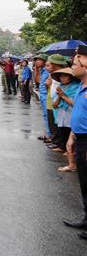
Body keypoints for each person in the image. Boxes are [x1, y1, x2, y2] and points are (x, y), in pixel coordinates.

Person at [64, 45, 87, 240]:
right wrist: (72, 135)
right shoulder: (82, 85)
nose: (75, 61)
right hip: (80, 139)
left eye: (79, 57)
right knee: (84, 182)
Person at [51, 67, 81, 167]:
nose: (63, 78)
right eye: (61, 76)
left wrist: (63, 96)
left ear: (71, 77)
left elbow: (75, 104)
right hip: (62, 113)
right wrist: (59, 95)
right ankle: (63, 148)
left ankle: (71, 154)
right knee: (62, 131)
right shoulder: (60, 87)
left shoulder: (76, 87)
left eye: (65, 76)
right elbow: (55, 105)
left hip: (72, 113)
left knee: (71, 133)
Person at [47, 54, 70, 148]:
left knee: (60, 124)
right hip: (55, 99)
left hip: (61, 102)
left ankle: (60, 144)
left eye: (50, 63)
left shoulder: (62, 73)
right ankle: (58, 143)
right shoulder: (54, 73)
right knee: (57, 122)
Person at [34, 54, 51, 142]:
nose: (37, 61)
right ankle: (48, 133)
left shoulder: (47, 71)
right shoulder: (42, 70)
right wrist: (36, 70)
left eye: (39, 60)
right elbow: (38, 81)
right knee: (45, 115)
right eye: (36, 60)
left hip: (46, 95)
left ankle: (49, 135)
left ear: (44, 62)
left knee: (48, 115)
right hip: (42, 95)